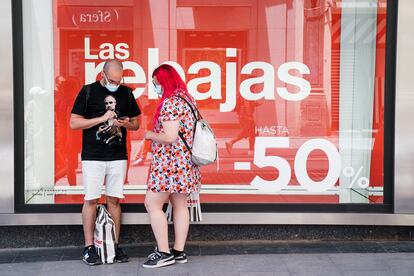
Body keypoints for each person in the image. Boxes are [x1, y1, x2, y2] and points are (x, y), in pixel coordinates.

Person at [69, 59, 141, 265]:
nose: (115, 84)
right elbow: (74, 122)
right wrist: (101, 119)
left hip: (118, 156)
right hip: (93, 156)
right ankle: (88, 247)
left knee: (114, 200)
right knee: (91, 199)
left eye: (119, 81)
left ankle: (114, 245)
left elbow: (136, 123)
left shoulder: (126, 93)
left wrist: (127, 123)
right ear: (103, 74)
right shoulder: (88, 91)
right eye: (112, 80)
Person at [142, 64, 201, 268]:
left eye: (156, 83)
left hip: (170, 165)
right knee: (180, 206)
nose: (155, 87)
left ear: (164, 82)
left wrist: (149, 135)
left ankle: (164, 253)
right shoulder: (188, 99)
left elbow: (170, 136)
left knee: (152, 204)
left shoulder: (171, 103)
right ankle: (178, 251)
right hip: (185, 165)